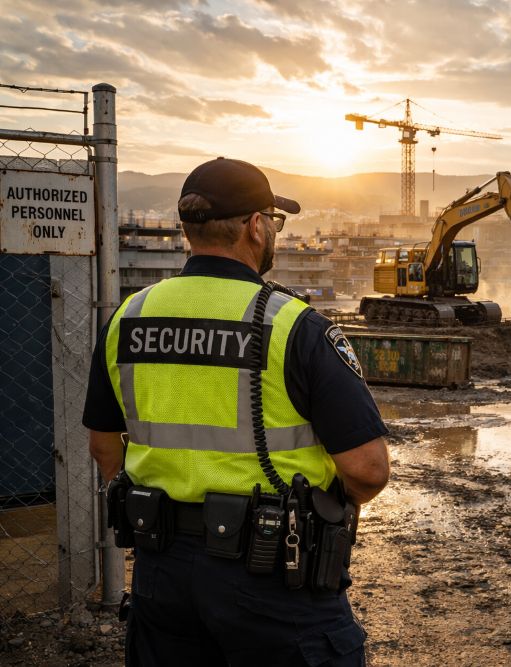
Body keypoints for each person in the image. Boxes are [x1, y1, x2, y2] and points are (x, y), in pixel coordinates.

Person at [83, 157, 391, 666]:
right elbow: (367, 470)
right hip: (275, 576)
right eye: (274, 221)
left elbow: (103, 446)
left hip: (162, 572)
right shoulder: (294, 326)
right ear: (255, 226)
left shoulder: (128, 318)